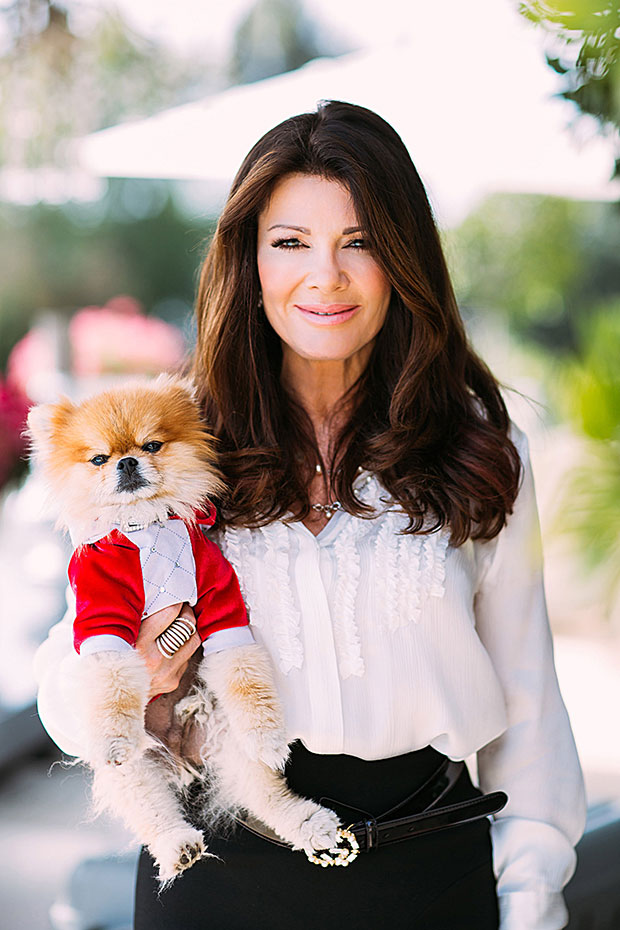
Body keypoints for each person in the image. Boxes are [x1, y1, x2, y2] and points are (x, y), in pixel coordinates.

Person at [34, 100, 586, 930]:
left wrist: (531, 896)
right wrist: (133, 676)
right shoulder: (177, 444)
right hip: (219, 877)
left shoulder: (478, 447)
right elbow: (60, 675)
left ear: (403, 258)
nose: (324, 276)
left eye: (358, 242)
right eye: (290, 242)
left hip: (431, 877)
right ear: (249, 261)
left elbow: (531, 709)